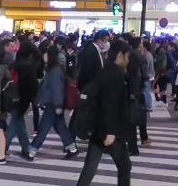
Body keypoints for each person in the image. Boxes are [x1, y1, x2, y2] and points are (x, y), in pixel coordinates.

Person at [76, 39, 133, 186]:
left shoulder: (102, 71)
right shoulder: (117, 75)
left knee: (90, 166)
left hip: (97, 126)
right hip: (109, 130)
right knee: (124, 165)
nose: (128, 60)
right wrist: (110, 132)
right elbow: (110, 104)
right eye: (127, 56)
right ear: (119, 55)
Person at [31, 45, 78, 159]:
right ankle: (72, 149)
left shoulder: (55, 70)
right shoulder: (54, 69)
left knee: (43, 129)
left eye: (46, 53)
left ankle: (31, 151)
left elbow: (57, 89)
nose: (44, 55)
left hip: (53, 103)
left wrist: (58, 105)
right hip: (54, 103)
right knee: (60, 127)